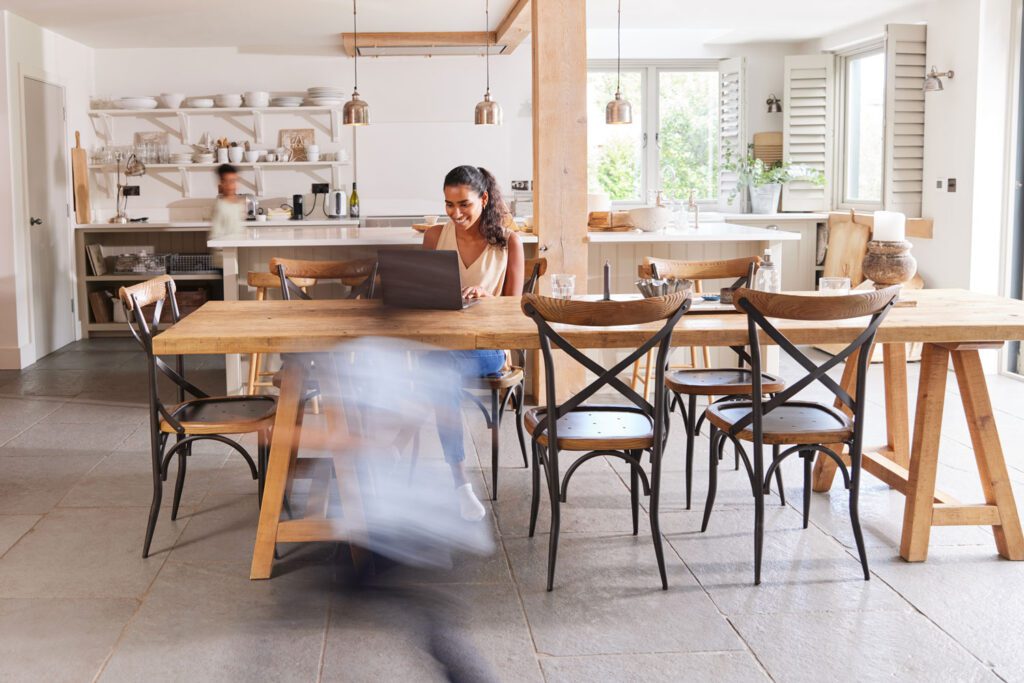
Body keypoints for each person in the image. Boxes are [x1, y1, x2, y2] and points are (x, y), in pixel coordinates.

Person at [423, 166, 524, 522]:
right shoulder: (435, 236)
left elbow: (517, 313)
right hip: (444, 345)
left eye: (463, 204)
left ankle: (455, 482)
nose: (455, 213)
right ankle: (459, 482)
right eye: (449, 204)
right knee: (438, 367)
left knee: (435, 373)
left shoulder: (509, 243)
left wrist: (485, 297)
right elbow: (422, 297)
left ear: (483, 199)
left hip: (489, 350)